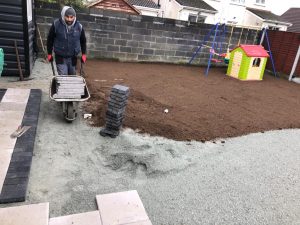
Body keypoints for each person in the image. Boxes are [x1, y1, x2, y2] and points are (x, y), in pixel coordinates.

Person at [47, 6, 87, 75]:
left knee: (72, 76)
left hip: (73, 57)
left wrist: (84, 54)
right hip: (60, 57)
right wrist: (49, 53)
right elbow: (50, 39)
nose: (69, 19)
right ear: (63, 15)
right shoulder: (56, 25)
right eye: (67, 17)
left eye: (71, 17)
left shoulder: (79, 27)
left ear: (74, 17)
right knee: (63, 76)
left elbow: (83, 41)